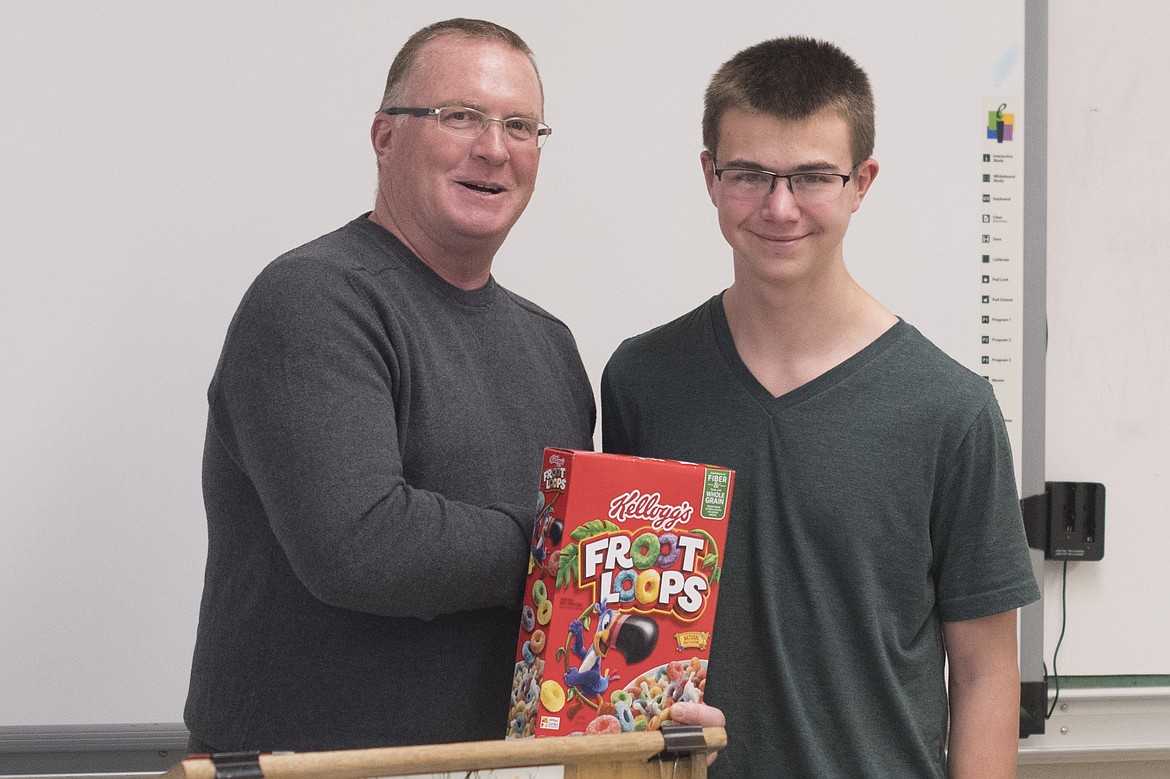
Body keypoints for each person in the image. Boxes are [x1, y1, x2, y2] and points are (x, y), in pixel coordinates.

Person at [601, 36, 1040, 778]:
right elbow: (623, 627)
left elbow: (984, 674)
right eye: (749, 174)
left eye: (812, 176)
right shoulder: (642, 380)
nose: (779, 207)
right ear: (710, 176)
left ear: (861, 181)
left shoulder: (951, 409)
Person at [182, 19, 596, 753]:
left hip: (504, 766)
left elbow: (556, 611)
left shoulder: (550, 345)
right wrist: (563, 539)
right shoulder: (314, 299)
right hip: (313, 768)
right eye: (459, 116)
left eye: (520, 125)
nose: (494, 148)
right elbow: (361, 544)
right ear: (384, 136)